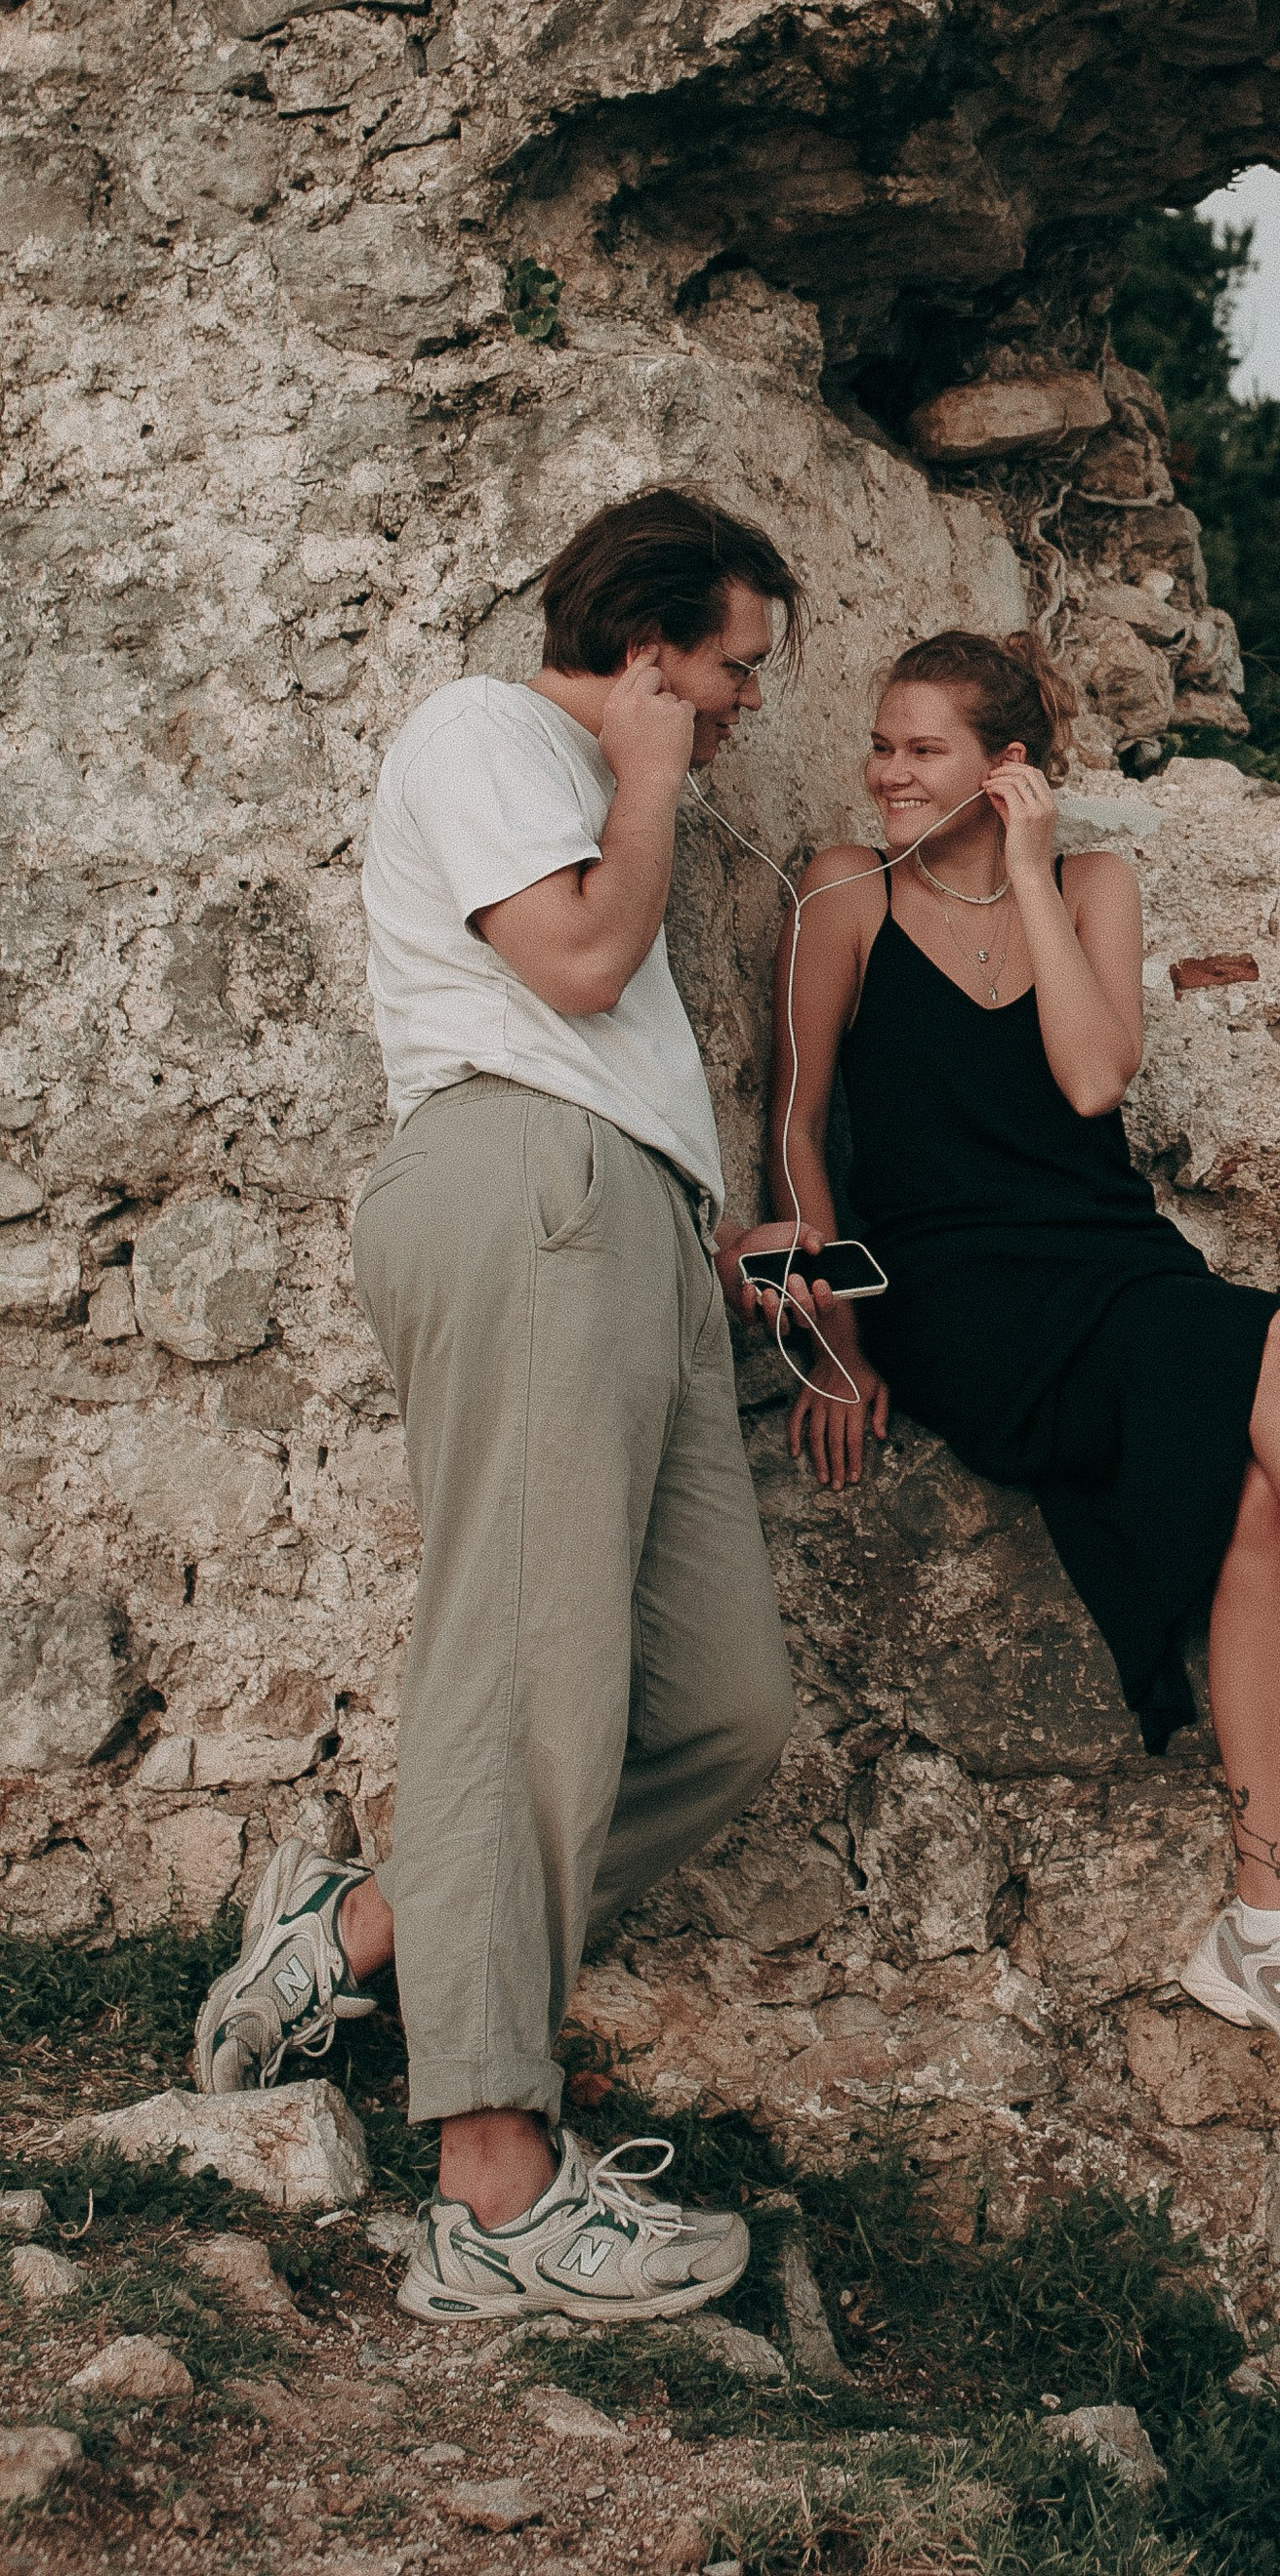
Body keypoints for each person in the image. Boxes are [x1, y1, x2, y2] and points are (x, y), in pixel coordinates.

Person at [732, 629, 1280, 2103]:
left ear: (1007, 770)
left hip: (1108, 1255)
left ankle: (1270, 1929)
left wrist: (1028, 873)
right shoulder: (842, 892)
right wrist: (835, 1341)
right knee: (1275, 1338)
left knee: (1259, 1499)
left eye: (923, 750)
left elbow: (1091, 1078)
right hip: (956, 1292)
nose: (886, 774)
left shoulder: (1090, 886)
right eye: (882, 745)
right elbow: (797, 1126)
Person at [190, 487, 806, 2327]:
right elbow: (580, 966)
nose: (746, 706)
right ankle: (489, 2191)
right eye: (733, 670)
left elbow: (602, 1029)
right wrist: (648, 771)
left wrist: (708, 1228)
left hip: (630, 1228)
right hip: (525, 1191)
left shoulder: (589, 780)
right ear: (648, 653)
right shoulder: (482, 731)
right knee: (523, 1672)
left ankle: (363, 1933)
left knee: (718, 1708)